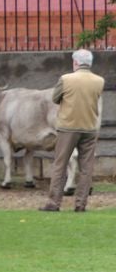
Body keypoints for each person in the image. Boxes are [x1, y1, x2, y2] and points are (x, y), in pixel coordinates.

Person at [41, 49, 106, 213]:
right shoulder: (99, 81)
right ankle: (80, 204)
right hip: (90, 128)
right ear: (89, 63)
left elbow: (55, 98)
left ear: (75, 62)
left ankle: (53, 203)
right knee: (86, 168)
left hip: (68, 127)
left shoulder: (65, 79)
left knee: (60, 165)